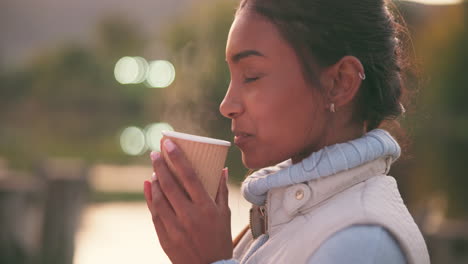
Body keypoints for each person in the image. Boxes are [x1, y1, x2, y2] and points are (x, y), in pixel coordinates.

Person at [143, 0, 430, 263]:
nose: (226, 105)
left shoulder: (361, 245)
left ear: (340, 83)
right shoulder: (279, 219)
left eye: (251, 75)